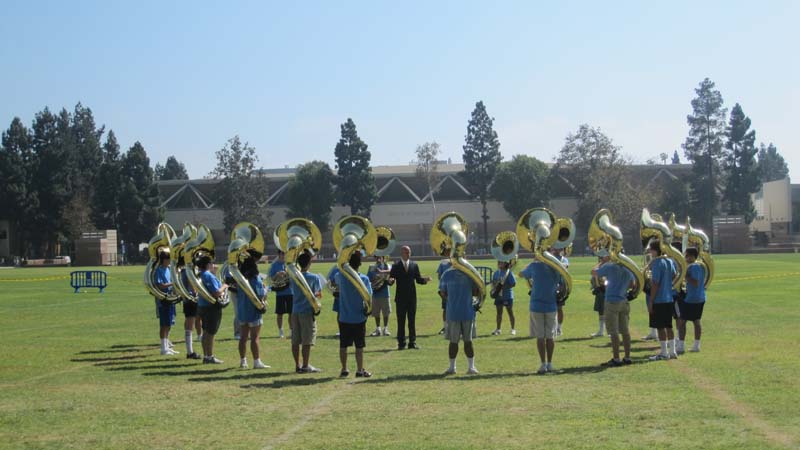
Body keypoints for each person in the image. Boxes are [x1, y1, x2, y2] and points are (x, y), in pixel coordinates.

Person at [519, 259, 562, 374]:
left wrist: (529, 264)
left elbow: (521, 274)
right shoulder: (556, 266)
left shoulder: (534, 265)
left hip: (536, 305)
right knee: (550, 337)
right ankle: (550, 363)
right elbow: (562, 282)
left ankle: (543, 364)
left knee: (540, 337)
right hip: (551, 305)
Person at [592, 253, 635, 366]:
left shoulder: (609, 266)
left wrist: (603, 261)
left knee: (613, 332)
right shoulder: (628, 268)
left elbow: (594, 272)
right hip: (624, 301)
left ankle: (616, 358)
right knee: (625, 331)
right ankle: (627, 357)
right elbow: (632, 284)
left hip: (611, 301)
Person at [335, 252, 373, 377]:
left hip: (344, 316)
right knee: (359, 346)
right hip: (359, 317)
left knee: (343, 345)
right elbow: (369, 297)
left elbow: (333, 278)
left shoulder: (341, 276)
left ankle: (344, 369)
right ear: (360, 264)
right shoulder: (364, 279)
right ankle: (359, 369)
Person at [388, 246, 431, 350]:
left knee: (412, 321)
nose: (408, 254)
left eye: (409, 252)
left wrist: (425, 280)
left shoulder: (414, 265)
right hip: (400, 298)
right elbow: (391, 279)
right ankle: (401, 343)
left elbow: (418, 279)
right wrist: (390, 281)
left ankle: (412, 342)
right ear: (401, 253)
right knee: (401, 321)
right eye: (406, 252)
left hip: (412, 298)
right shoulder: (396, 266)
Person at [440, 266, 481, 374]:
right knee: (454, 342)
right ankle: (452, 367)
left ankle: (471, 367)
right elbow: (442, 292)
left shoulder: (470, 273)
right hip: (454, 313)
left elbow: (476, 292)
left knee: (468, 341)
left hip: (467, 313)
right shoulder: (447, 274)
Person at [290, 252, 323, 373]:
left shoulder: (294, 276)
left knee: (295, 340)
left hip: (295, 310)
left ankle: (297, 365)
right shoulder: (314, 277)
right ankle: (305, 365)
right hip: (307, 311)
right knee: (306, 340)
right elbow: (318, 294)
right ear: (309, 264)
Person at [646, 241, 678, 361]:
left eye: (651, 249)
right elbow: (675, 275)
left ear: (655, 250)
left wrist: (651, 300)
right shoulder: (669, 261)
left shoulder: (656, 263)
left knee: (660, 327)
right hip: (669, 298)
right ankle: (672, 351)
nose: (649, 251)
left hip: (659, 300)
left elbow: (655, 283)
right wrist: (668, 284)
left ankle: (664, 352)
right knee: (669, 326)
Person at [236, 258, 270, 369]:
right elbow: (261, 296)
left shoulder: (240, 279)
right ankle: (256, 362)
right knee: (255, 338)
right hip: (254, 312)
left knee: (243, 338)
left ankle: (243, 361)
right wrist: (266, 290)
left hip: (242, 311)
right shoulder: (256, 279)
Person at [197, 255, 229, 364]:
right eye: (211, 263)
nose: (213, 265)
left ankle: (206, 355)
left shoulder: (202, 274)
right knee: (210, 333)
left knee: (205, 332)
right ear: (207, 265)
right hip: (211, 307)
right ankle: (209, 356)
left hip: (202, 306)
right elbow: (216, 293)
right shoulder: (208, 276)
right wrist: (225, 286)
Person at [677, 248, 706, 353]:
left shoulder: (694, 267)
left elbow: (695, 282)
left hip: (692, 299)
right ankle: (696, 345)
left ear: (693, 256)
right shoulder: (699, 266)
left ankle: (681, 346)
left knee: (681, 322)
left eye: (687, 255)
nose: (686, 257)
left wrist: (684, 274)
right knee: (696, 321)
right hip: (699, 297)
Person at [154, 251, 179, 356]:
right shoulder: (158, 271)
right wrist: (173, 283)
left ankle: (167, 346)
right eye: (168, 259)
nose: (169, 261)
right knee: (164, 324)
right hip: (163, 300)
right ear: (163, 260)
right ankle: (163, 348)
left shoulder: (168, 269)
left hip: (171, 299)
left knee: (169, 323)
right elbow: (160, 285)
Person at [179, 260, 202, 359]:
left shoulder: (184, 271)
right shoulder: (189, 271)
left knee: (188, 322)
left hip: (186, 298)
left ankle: (190, 350)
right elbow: (193, 287)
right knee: (190, 324)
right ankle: (190, 352)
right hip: (191, 298)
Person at [269, 250, 293, 339]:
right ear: (278, 254)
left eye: (285, 253)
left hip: (290, 292)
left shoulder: (290, 264)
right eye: (282, 254)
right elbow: (272, 279)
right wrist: (277, 274)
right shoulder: (274, 265)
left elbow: (295, 276)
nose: (283, 255)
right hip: (280, 293)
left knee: (291, 313)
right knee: (280, 314)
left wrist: (287, 274)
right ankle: (281, 331)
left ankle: (291, 331)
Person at [367, 255, 393, 336]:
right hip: (375, 293)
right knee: (376, 313)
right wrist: (375, 280)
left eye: (380, 257)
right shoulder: (371, 267)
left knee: (386, 312)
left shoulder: (388, 266)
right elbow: (368, 279)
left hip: (385, 293)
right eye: (376, 257)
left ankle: (385, 328)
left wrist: (390, 281)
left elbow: (391, 278)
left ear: (383, 257)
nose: (378, 258)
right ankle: (378, 329)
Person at [490, 261, 516, 336]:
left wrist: (504, 287)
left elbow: (513, 283)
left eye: (501, 262)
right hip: (498, 296)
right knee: (499, 313)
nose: (499, 264)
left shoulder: (509, 272)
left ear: (505, 264)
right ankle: (498, 329)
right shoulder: (496, 273)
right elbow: (493, 283)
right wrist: (494, 288)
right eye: (499, 262)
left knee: (510, 312)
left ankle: (513, 329)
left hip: (507, 295)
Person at [552, 248, 569, 337]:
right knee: (551, 308)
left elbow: (565, 268)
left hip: (561, 286)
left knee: (559, 308)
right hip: (551, 285)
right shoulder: (550, 257)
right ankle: (553, 328)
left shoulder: (564, 259)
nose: (557, 249)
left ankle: (559, 328)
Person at [589, 257, 606, 338]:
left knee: (606, 312)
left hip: (605, 292)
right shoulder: (600, 267)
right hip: (600, 292)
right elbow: (592, 275)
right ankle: (601, 330)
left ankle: (605, 330)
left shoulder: (606, 267)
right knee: (601, 312)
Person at [436, 259, 452, 334]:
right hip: (446, 290)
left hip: (458, 289)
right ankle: (445, 327)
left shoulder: (460, 262)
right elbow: (439, 276)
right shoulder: (443, 263)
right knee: (445, 308)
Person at [328, 265, 341, 337]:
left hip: (344, 294)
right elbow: (331, 281)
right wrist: (335, 286)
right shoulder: (336, 269)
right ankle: (341, 331)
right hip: (338, 294)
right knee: (340, 313)